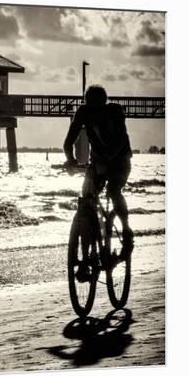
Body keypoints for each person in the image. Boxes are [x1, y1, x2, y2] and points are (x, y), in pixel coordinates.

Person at [63, 84, 134, 256]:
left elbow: (123, 139)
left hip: (120, 159)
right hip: (97, 161)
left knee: (113, 190)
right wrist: (70, 159)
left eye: (98, 107)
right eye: (90, 106)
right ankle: (88, 238)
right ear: (86, 103)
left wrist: (108, 159)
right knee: (87, 194)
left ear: (105, 103)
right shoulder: (83, 112)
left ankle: (126, 230)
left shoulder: (115, 111)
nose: (94, 111)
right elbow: (68, 141)